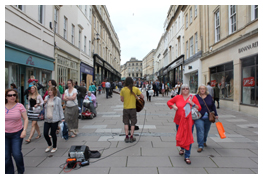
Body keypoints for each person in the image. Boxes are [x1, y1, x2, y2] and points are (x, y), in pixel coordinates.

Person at [167, 84, 201, 165]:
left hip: (189, 122)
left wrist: (192, 103)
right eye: (183, 89)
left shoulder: (193, 97)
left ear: (189, 90)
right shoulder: (178, 97)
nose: (185, 90)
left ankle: (187, 156)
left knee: (188, 137)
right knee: (181, 135)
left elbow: (199, 108)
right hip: (179, 121)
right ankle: (182, 148)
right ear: (181, 90)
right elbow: (169, 102)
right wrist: (173, 106)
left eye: (187, 89)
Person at [5, 89, 29, 174]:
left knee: (17, 154)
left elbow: (26, 119)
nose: (12, 97)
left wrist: (24, 130)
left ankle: (20, 171)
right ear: (6, 97)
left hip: (17, 133)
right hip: (4, 135)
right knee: (6, 156)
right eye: (10, 95)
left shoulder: (20, 106)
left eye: (14, 95)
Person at [195, 85, 218, 152]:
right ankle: (200, 145)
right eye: (201, 89)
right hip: (199, 117)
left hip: (208, 117)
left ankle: (204, 141)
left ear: (205, 90)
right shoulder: (196, 97)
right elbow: (192, 105)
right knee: (200, 130)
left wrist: (216, 114)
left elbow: (213, 106)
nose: (202, 90)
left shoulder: (209, 97)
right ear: (199, 90)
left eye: (203, 89)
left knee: (206, 131)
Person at [120, 77, 144, 143]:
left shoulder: (123, 89)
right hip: (133, 108)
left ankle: (127, 136)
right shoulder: (135, 89)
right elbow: (142, 96)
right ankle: (131, 136)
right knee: (133, 123)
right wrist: (137, 97)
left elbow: (122, 100)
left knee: (126, 122)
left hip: (126, 108)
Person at [43, 86, 64, 153]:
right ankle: (49, 144)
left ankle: (54, 146)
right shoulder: (46, 98)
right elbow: (42, 106)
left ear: (54, 92)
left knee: (53, 133)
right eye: (49, 90)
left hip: (55, 119)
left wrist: (62, 118)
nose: (49, 92)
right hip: (47, 118)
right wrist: (44, 103)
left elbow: (60, 109)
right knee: (45, 133)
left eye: (51, 90)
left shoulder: (57, 99)